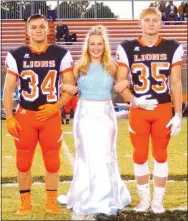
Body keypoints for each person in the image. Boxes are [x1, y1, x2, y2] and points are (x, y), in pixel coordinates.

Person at [3, 14, 75, 215]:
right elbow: (8, 89)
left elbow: (70, 87)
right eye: (33, 27)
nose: (38, 30)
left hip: (50, 116)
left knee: (52, 162)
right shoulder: (16, 55)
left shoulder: (61, 54)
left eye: (42, 27)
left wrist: (57, 106)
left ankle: (51, 201)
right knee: (23, 162)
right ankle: (25, 202)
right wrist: (9, 116)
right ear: (27, 31)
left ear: (48, 29)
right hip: (25, 115)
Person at [58, 25, 131, 220]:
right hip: (84, 114)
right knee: (85, 155)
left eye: (99, 44)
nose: (96, 47)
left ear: (104, 45)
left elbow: (123, 86)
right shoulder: (78, 66)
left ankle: (107, 198)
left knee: (106, 155)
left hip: (106, 113)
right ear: (87, 45)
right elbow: (67, 87)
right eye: (92, 44)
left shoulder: (112, 66)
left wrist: (128, 88)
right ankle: (82, 197)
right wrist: (63, 85)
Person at [115, 7, 184, 213]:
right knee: (140, 155)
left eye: (155, 20)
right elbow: (120, 83)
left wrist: (178, 113)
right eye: (147, 20)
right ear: (140, 23)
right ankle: (144, 199)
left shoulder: (172, 47)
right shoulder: (127, 47)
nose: (151, 23)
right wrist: (134, 100)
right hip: (139, 111)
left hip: (162, 109)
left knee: (161, 155)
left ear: (161, 23)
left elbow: (176, 82)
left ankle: (158, 201)